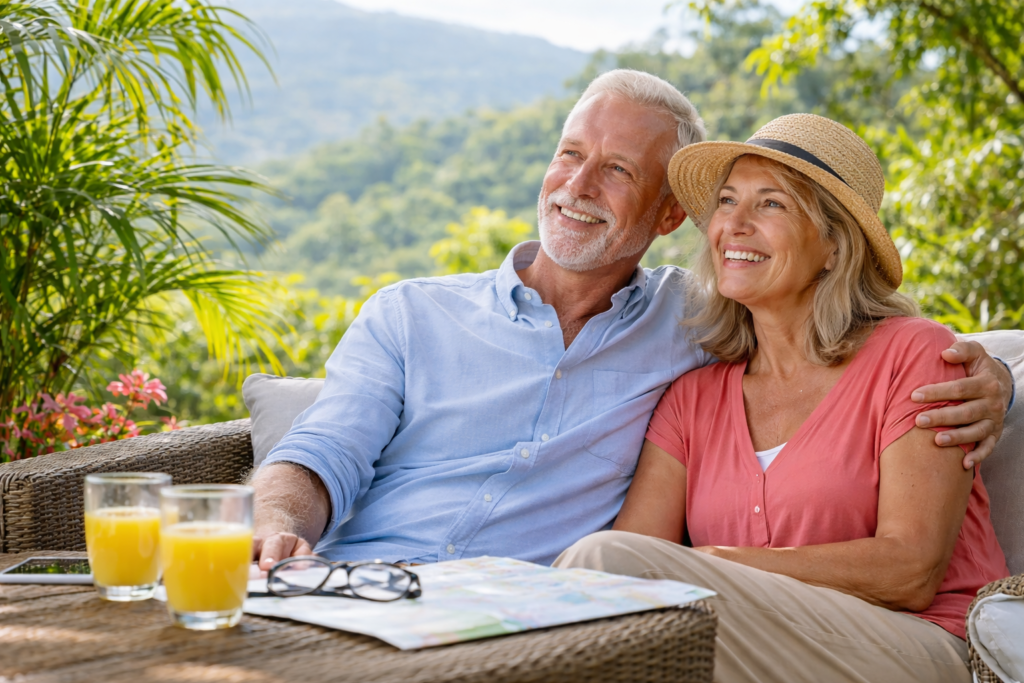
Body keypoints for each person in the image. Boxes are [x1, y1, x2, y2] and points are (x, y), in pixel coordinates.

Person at [250, 70, 1015, 572]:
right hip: (358, 587)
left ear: (669, 212)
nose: (577, 185)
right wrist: (277, 522)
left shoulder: (696, 321)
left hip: (528, 623)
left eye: (616, 170)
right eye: (568, 155)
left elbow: (864, 350)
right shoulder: (410, 312)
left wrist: (997, 377)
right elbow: (323, 451)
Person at [554, 113, 1010, 682]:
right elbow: (631, 556)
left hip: (923, 649)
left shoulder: (914, 356)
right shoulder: (692, 399)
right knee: (599, 582)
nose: (735, 224)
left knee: (601, 565)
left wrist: (715, 566)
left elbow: (910, 570)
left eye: (771, 204)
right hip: (753, 648)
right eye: (727, 201)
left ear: (835, 246)